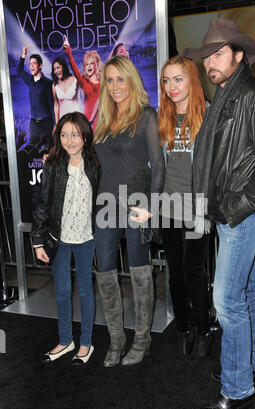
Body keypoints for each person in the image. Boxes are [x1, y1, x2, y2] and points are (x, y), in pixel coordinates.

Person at [183, 18, 255, 409]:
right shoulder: (227, 95)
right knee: (247, 291)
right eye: (207, 55)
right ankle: (254, 363)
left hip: (243, 212)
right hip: (234, 210)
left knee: (226, 300)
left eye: (219, 53)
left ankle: (238, 387)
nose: (211, 62)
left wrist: (232, 208)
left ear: (239, 55)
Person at [93, 55, 165, 368]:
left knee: (140, 272)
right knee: (105, 273)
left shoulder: (147, 115)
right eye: (109, 80)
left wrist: (152, 206)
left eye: (120, 79)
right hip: (104, 208)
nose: (115, 86)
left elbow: (159, 166)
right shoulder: (103, 119)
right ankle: (116, 340)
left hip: (136, 206)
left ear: (131, 80)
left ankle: (143, 340)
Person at [31, 112, 99, 365]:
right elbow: (43, 204)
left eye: (75, 134)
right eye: (64, 135)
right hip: (58, 239)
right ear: (58, 137)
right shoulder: (52, 165)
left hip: (87, 238)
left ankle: (85, 343)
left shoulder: (95, 164)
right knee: (61, 291)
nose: (70, 140)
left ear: (85, 136)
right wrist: (38, 241)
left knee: (85, 291)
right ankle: (65, 339)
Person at [158, 55, 212, 358]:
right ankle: (182, 327)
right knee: (175, 272)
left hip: (197, 207)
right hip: (168, 206)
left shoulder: (208, 116)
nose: (171, 86)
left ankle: (204, 328)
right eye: (166, 80)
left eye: (178, 79)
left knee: (194, 271)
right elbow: (157, 166)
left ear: (191, 79)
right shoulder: (163, 118)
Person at [17, 46, 54, 146]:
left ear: (40, 66)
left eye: (34, 63)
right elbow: (19, 70)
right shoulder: (29, 80)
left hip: (46, 124)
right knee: (32, 151)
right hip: (34, 124)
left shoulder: (48, 83)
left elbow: (52, 105)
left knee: (49, 151)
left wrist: (55, 125)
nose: (31, 66)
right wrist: (23, 55)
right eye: (30, 64)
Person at [63, 36, 102, 129]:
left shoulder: (103, 80)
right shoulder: (83, 80)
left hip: (102, 121)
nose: (89, 66)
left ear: (96, 65)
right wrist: (68, 51)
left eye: (92, 63)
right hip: (88, 120)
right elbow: (74, 67)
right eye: (87, 64)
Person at [51, 57, 82, 124]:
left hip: (76, 117)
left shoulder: (75, 80)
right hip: (63, 119)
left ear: (63, 67)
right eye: (54, 69)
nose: (56, 71)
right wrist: (57, 123)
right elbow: (56, 105)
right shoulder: (54, 86)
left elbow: (82, 99)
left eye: (58, 67)